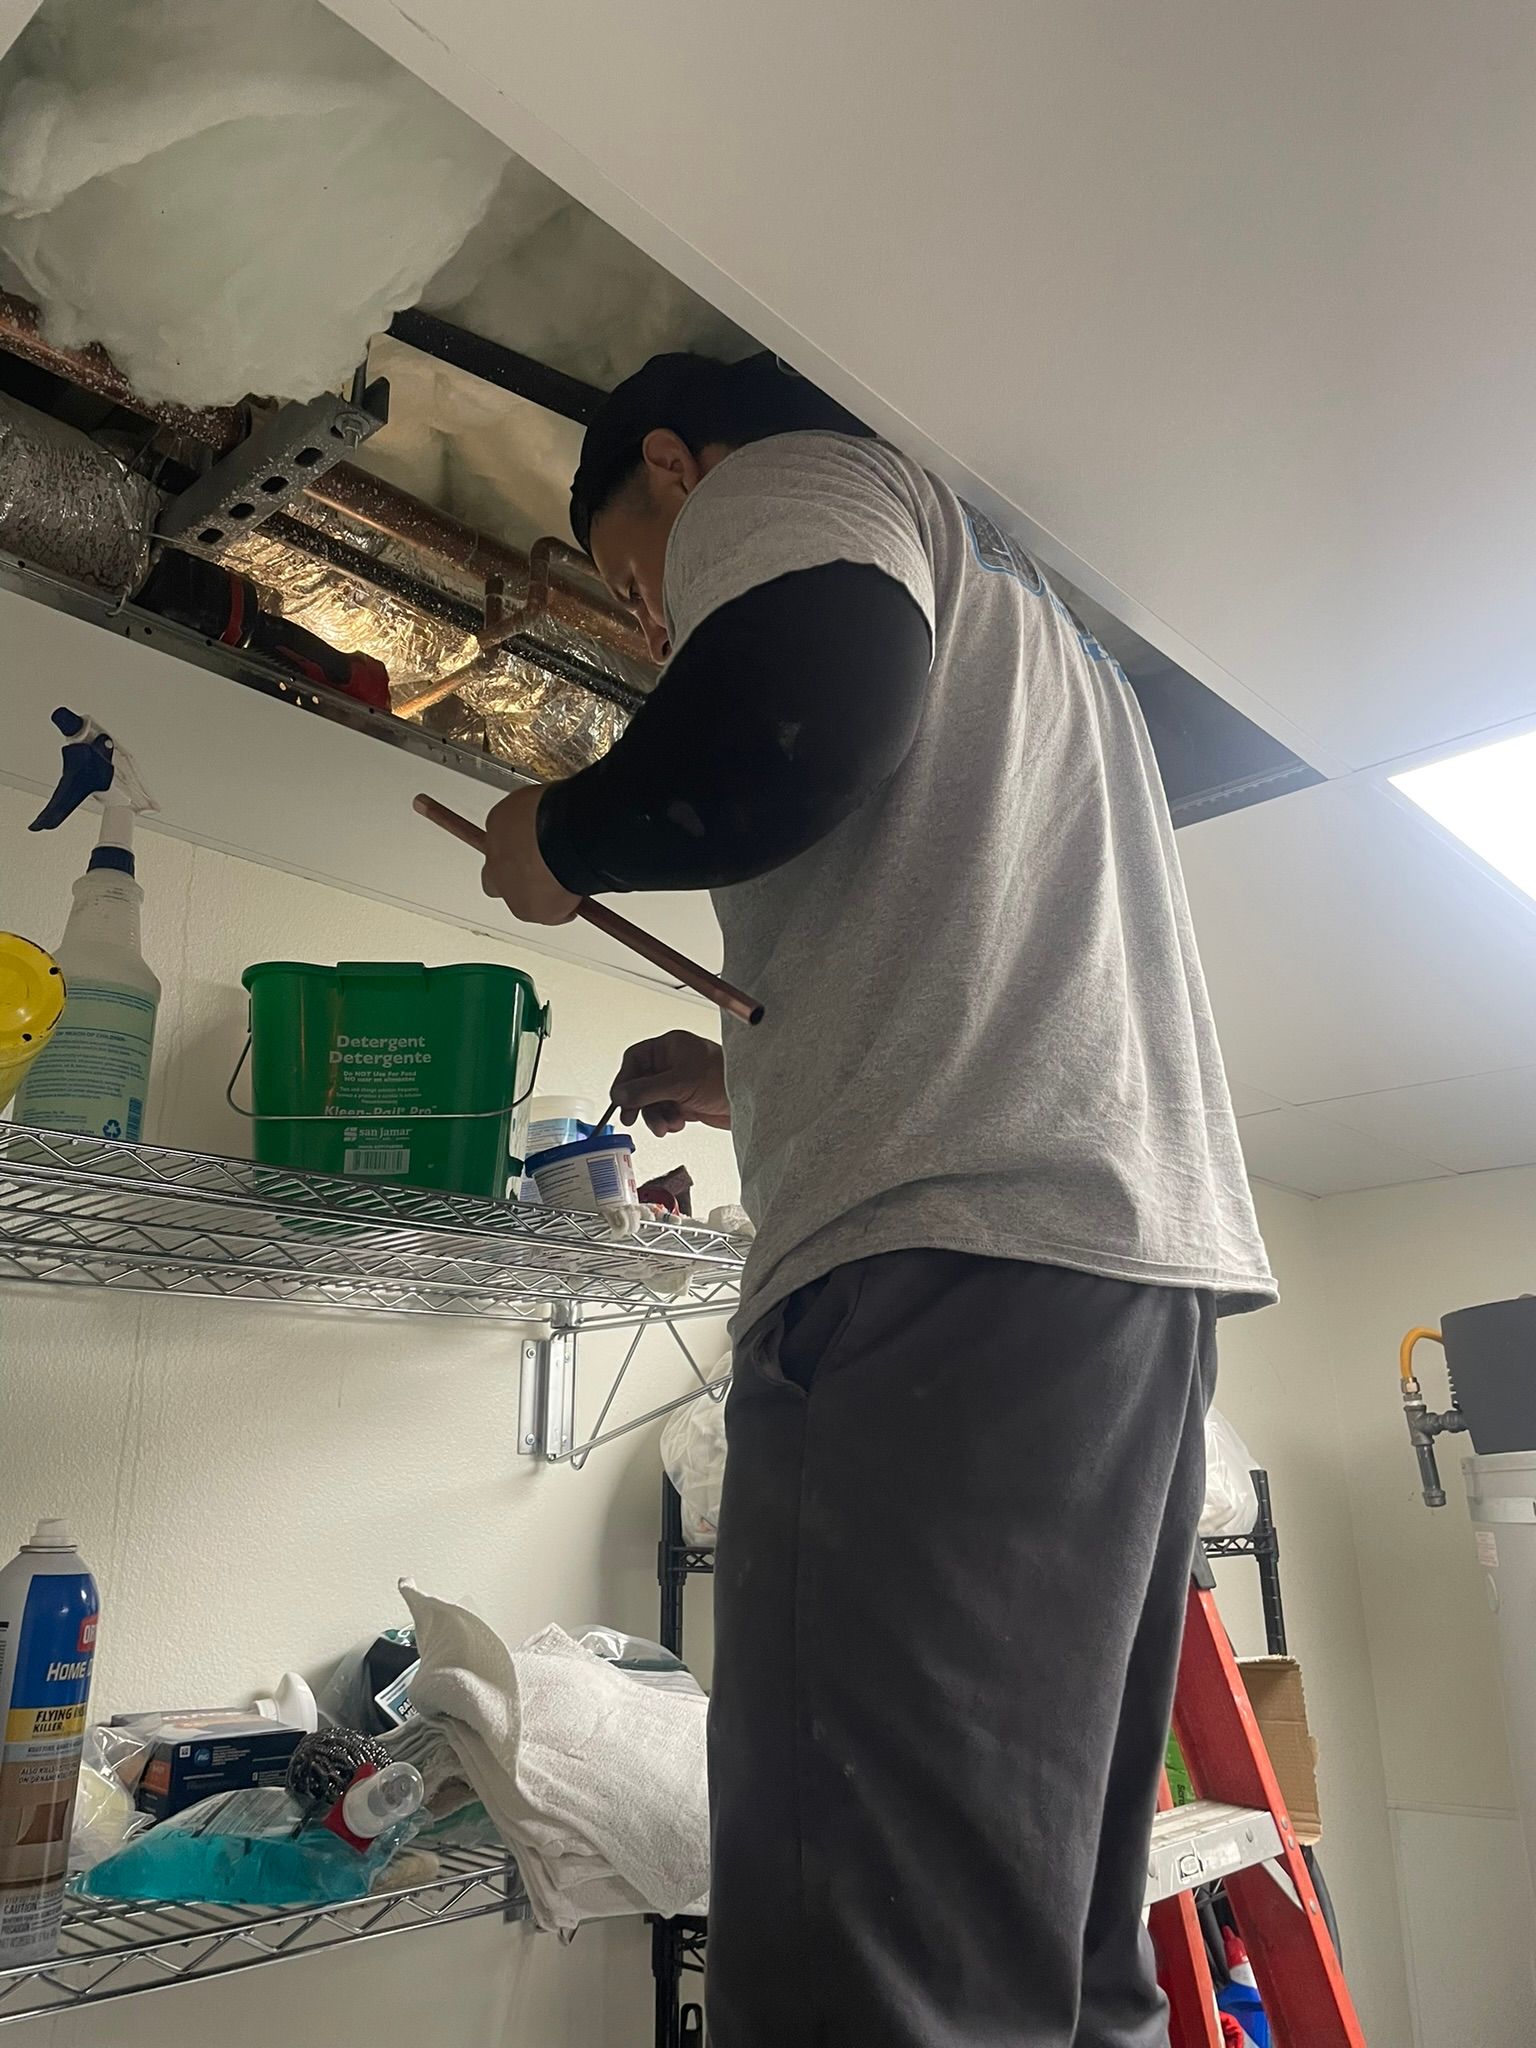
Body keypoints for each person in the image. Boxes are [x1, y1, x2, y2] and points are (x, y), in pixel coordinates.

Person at [478, 352, 1275, 2048]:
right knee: (1051, 1955)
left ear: (674, 466)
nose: (649, 620)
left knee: (873, 1969)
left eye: (632, 572)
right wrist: (743, 1064)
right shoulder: (1049, 644)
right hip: (1123, 1284)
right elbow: (983, 948)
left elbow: (798, 725)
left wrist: (566, 833)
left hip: (943, 1276)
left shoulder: (789, 478)